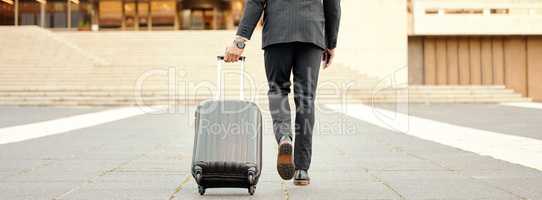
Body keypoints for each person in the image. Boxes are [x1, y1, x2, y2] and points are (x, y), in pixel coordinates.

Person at [224, 0, 341, 186]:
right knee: (306, 99)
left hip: (277, 33)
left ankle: (284, 135)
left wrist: (240, 41)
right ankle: (302, 169)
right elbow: (332, 4)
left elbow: (255, 2)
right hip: (311, 33)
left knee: (278, 90)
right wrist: (331, 42)